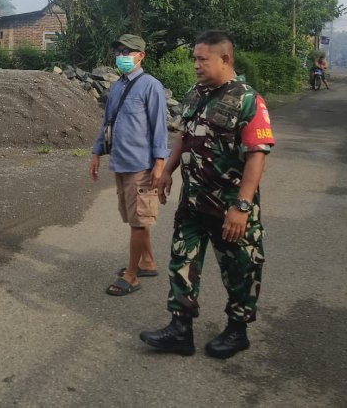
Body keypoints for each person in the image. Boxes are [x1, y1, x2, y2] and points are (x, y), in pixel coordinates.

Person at [140, 30, 274, 359]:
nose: (196, 65)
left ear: (225, 59)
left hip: (230, 205)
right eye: (194, 58)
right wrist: (168, 170)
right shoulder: (197, 93)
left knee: (240, 270)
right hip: (193, 200)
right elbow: (185, 135)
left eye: (202, 59)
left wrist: (242, 206)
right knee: (182, 261)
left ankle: (237, 330)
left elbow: (257, 155)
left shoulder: (248, 99)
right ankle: (180, 328)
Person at [89, 34, 170, 297]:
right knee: (135, 218)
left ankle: (132, 275)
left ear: (141, 55)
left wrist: (159, 164)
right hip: (121, 163)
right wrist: (96, 152)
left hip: (141, 166)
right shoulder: (116, 87)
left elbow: (159, 127)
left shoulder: (151, 86)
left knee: (138, 221)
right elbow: (107, 123)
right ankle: (147, 262)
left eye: (128, 51)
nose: (121, 56)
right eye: (119, 52)